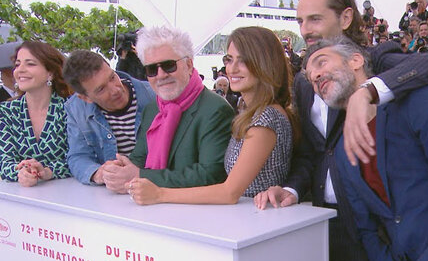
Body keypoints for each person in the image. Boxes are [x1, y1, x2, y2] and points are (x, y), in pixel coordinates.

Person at [254, 0, 428, 261]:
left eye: (314, 18)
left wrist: (368, 92)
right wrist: (292, 189)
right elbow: (313, 153)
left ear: (346, 17)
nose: (305, 30)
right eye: (299, 21)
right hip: (322, 221)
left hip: (377, 228)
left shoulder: (376, 59)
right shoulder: (304, 82)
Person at [305, 36, 428, 261]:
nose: (315, 76)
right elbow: (366, 229)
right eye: (309, 77)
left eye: (321, 62)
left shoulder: (421, 100)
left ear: (356, 60)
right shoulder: (343, 150)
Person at [125, 26, 296, 205]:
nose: (232, 69)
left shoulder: (266, 117)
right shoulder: (254, 112)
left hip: (258, 223)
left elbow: (229, 193)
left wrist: (159, 194)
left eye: (244, 61)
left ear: (265, 64)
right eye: (229, 60)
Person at [100, 26, 234, 194]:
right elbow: (139, 157)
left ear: (189, 64)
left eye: (169, 65)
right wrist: (118, 169)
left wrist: (141, 176)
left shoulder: (215, 109)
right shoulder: (153, 109)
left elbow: (211, 174)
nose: (161, 75)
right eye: (151, 69)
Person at [63, 50, 155, 186]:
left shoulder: (154, 95)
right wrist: (99, 174)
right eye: (101, 89)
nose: (115, 90)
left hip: (154, 186)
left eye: (112, 77)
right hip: (111, 196)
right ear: (85, 97)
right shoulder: (76, 109)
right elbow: (78, 156)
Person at [0, 41, 73, 186]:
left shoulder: (71, 108)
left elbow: (81, 158)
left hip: (69, 198)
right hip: (23, 198)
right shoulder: (7, 111)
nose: (20, 70)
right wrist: (22, 171)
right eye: (18, 64)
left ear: (50, 73)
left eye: (30, 64)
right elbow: (4, 162)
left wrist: (48, 171)